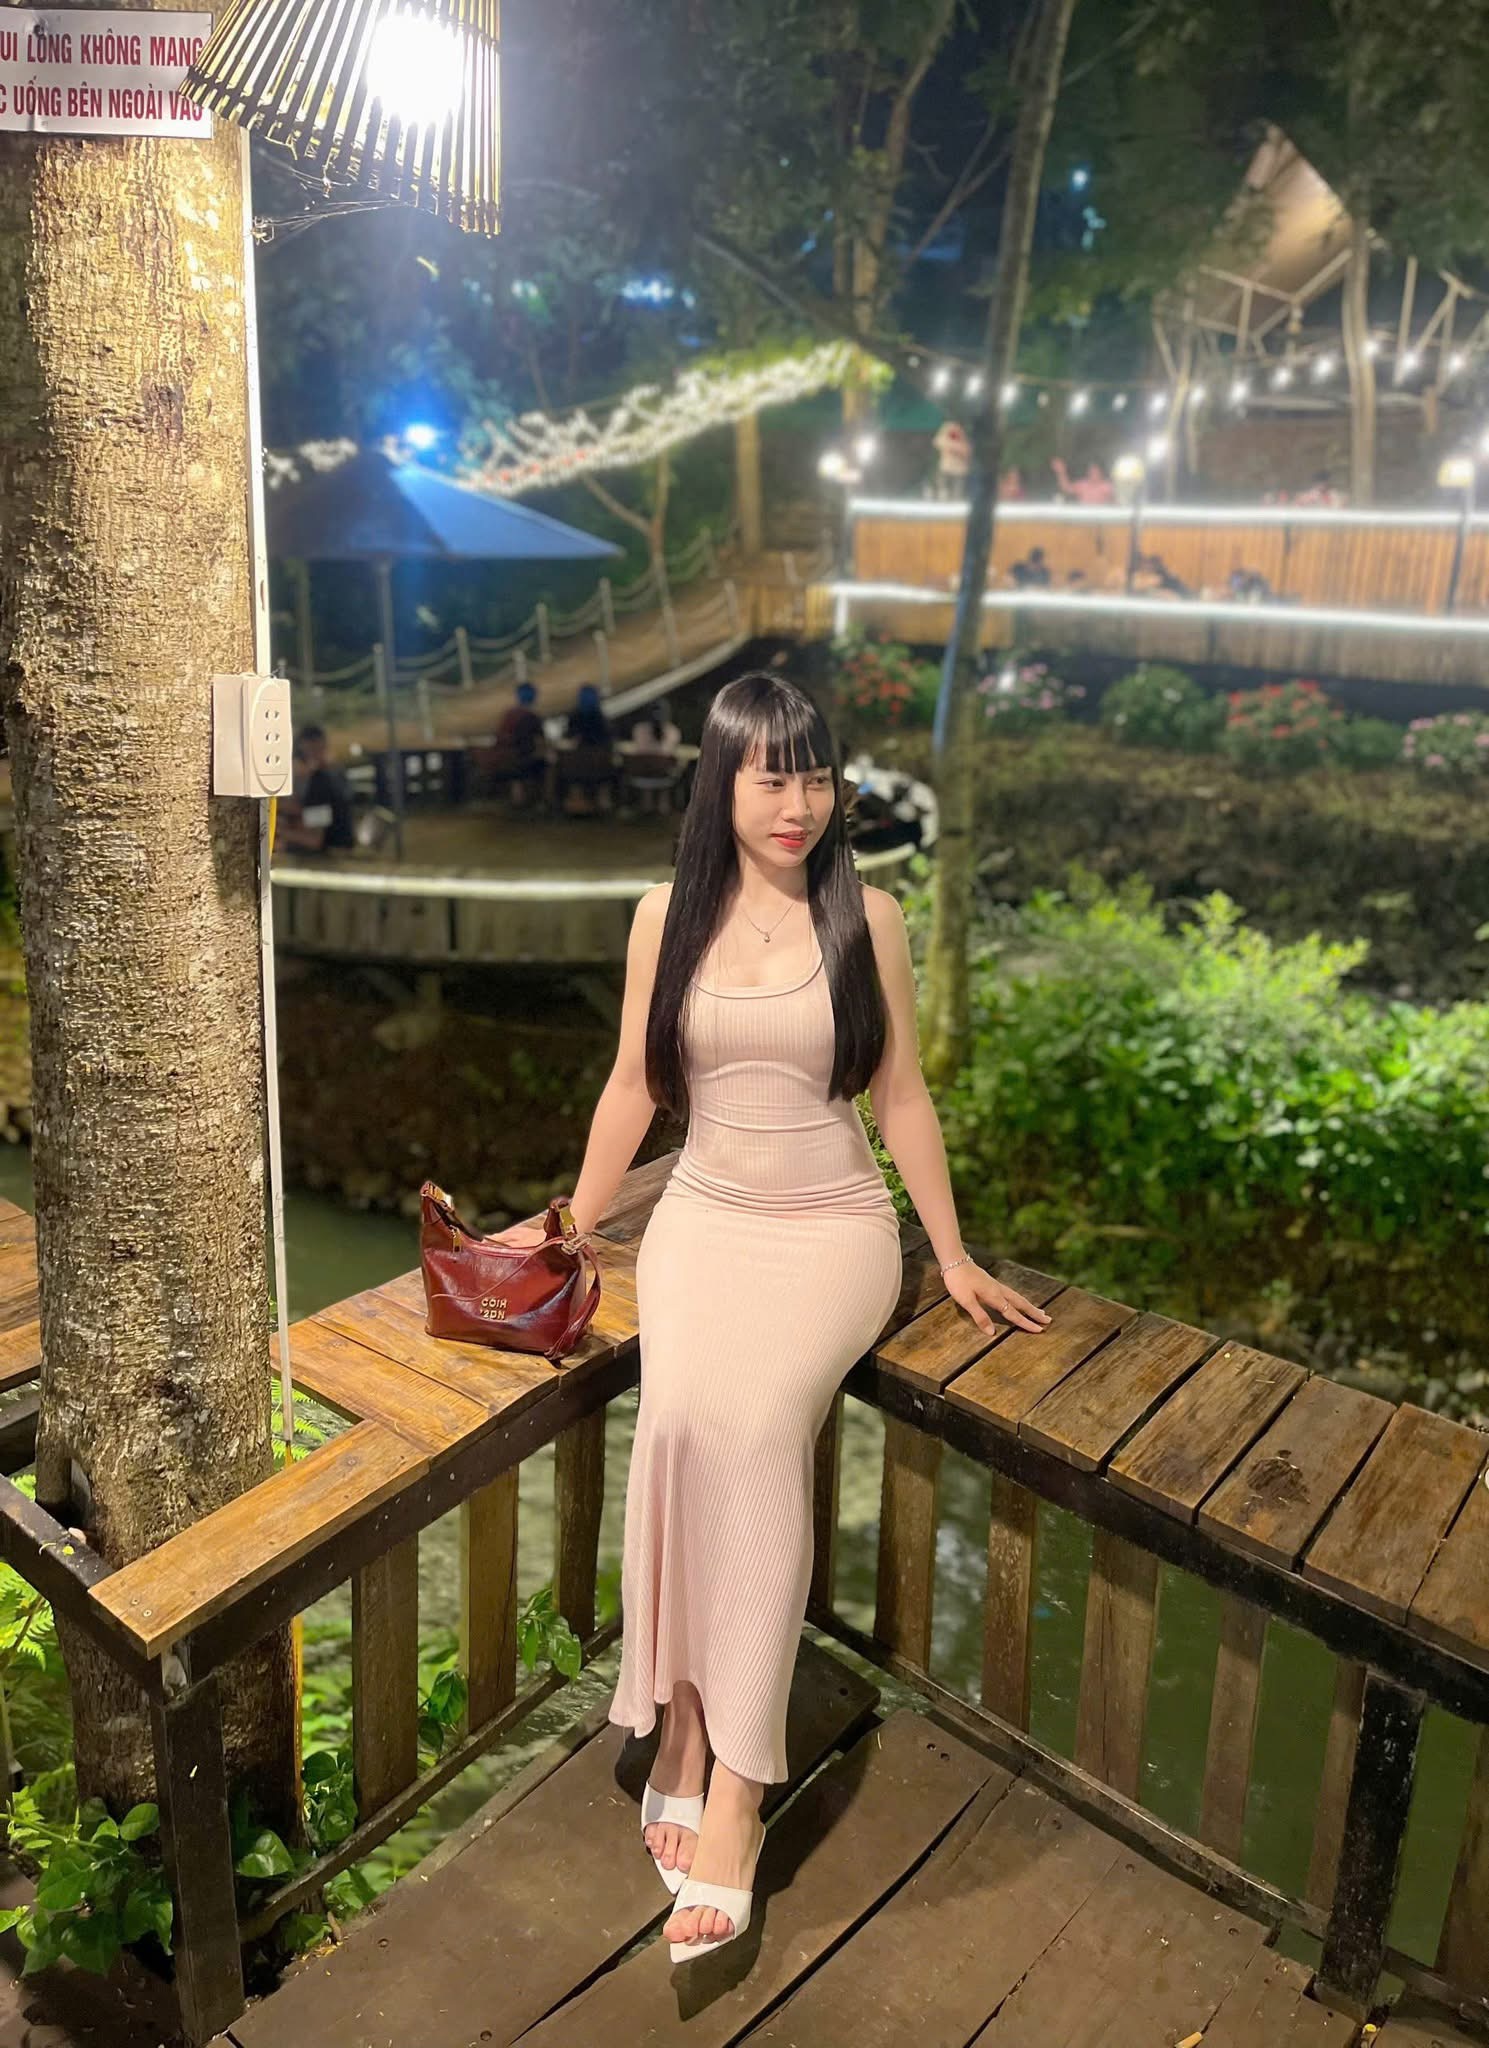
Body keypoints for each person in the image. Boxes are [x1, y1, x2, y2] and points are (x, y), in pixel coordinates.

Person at [488, 671, 1051, 1961]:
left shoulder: (870, 915)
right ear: (722, 783)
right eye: (771, 777)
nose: (798, 804)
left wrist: (949, 1252)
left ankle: (739, 1784)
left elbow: (900, 1096)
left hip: (831, 1227)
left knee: (751, 1433)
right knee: (679, 1419)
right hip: (701, 1214)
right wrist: (569, 1219)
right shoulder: (664, 917)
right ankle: (683, 1719)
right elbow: (632, 1086)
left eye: (816, 777)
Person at [275, 725, 354, 852]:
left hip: (332, 851)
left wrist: (279, 830)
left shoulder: (322, 782)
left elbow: (315, 839)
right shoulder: (333, 776)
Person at [559, 682, 618, 814]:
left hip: (577, 767)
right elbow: (610, 741)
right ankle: (604, 802)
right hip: (600, 767)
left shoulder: (574, 717)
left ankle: (576, 802)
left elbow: (569, 739)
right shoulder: (601, 719)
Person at [491, 680, 548, 808]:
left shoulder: (508, 715)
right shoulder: (532, 718)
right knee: (546, 765)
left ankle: (519, 798)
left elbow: (499, 738)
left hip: (504, 760)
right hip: (522, 761)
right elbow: (541, 742)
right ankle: (542, 801)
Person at [932, 418, 970, 499]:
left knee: (957, 490)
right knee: (943, 486)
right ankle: (943, 497)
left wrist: (955, 447)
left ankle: (956, 498)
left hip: (959, 469)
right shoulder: (946, 430)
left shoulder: (963, 436)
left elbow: (966, 451)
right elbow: (937, 442)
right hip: (946, 467)